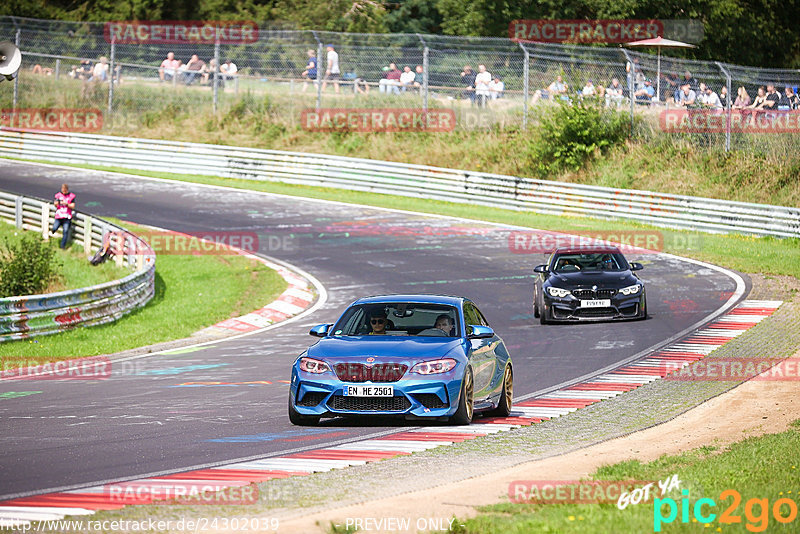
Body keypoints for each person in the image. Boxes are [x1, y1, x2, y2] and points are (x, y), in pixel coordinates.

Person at [51, 184, 76, 249]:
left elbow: (73, 206)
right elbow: (55, 204)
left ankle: (63, 246)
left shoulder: (71, 196)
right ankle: (53, 231)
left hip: (67, 217)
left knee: (65, 231)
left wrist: (67, 204)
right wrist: (59, 202)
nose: (64, 191)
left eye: (65, 190)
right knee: (54, 228)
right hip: (59, 216)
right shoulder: (58, 195)